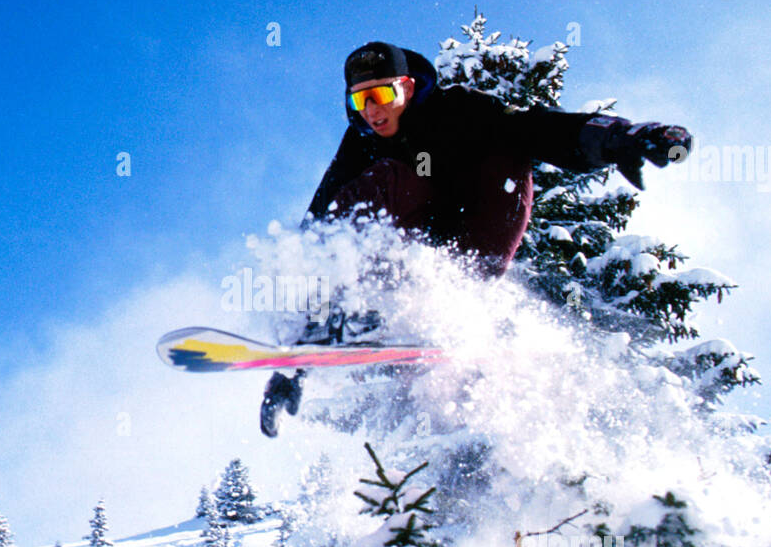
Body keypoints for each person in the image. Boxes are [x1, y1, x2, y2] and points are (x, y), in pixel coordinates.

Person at [259, 40, 692, 437]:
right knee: (341, 213)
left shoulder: (457, 110)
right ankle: (389, 324)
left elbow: (538, 130)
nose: (374, 110)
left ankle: (433, 305)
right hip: (419, 251)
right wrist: (296, 356)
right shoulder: (361, 143)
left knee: (498, 145)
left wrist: (621, 139)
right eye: (361, 98)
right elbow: (322, 229)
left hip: (480, 226)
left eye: (384, 94)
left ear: (408, 88)